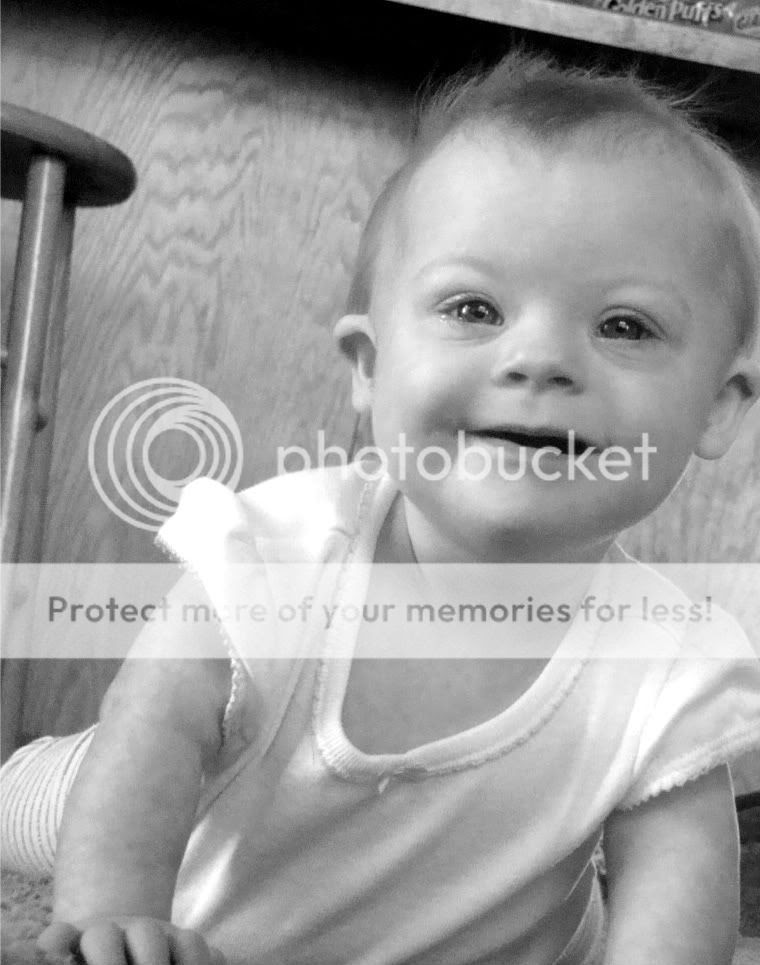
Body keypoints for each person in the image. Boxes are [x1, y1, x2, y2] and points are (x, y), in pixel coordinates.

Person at [3, 49, 760, 965]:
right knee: (51, 797)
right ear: (369, 366)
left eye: (625, 325)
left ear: (717, 405)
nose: (541, 359)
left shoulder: (672, 665)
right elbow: (153, 724)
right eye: (475, 308)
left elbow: (678, 901)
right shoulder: (276, 554)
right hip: (217, 924)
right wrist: (115, 917)